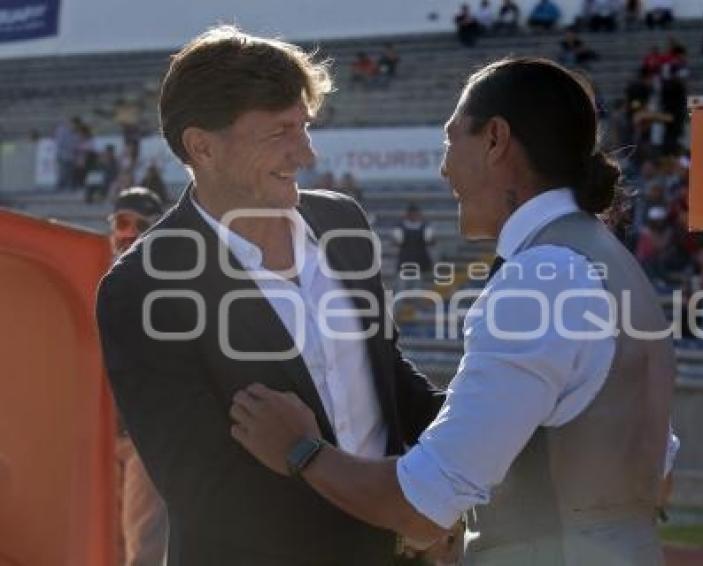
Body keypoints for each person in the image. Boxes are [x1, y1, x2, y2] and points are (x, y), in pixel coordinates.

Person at [231, 58, 678, 565]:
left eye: (451, 140)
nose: (443, 167)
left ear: (495, 139)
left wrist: (301, 449)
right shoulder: (611, 260)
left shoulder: (541, 276)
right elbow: (659, 477)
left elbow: (422, 506)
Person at [96, 26, 445, 566]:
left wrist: (473, 441)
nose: (304, 153)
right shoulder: (143, 286)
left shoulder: (340, 220)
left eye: (303, 127)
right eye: (280, 132)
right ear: (202, 146)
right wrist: (393, 525)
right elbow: (205, 490)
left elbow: (386, 372)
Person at [108, 187, 169, 566]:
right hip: (97, 435)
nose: (129, 232)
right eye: (121, 222)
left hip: (144, 437)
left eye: (139, 224)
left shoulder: (174, 282)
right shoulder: (93, 274)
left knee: (142, 549)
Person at [393, 203, 435, 291]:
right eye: (412, 214)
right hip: (404, 260)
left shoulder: (425, 227)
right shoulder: (400, 227)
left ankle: (417, 303)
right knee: (401, 288)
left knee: (418, 288)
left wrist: (430, 239)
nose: (414, 216)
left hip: (419, 260)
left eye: (416, 214)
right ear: (408, 214)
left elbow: (431, 242)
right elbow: (396, 242)